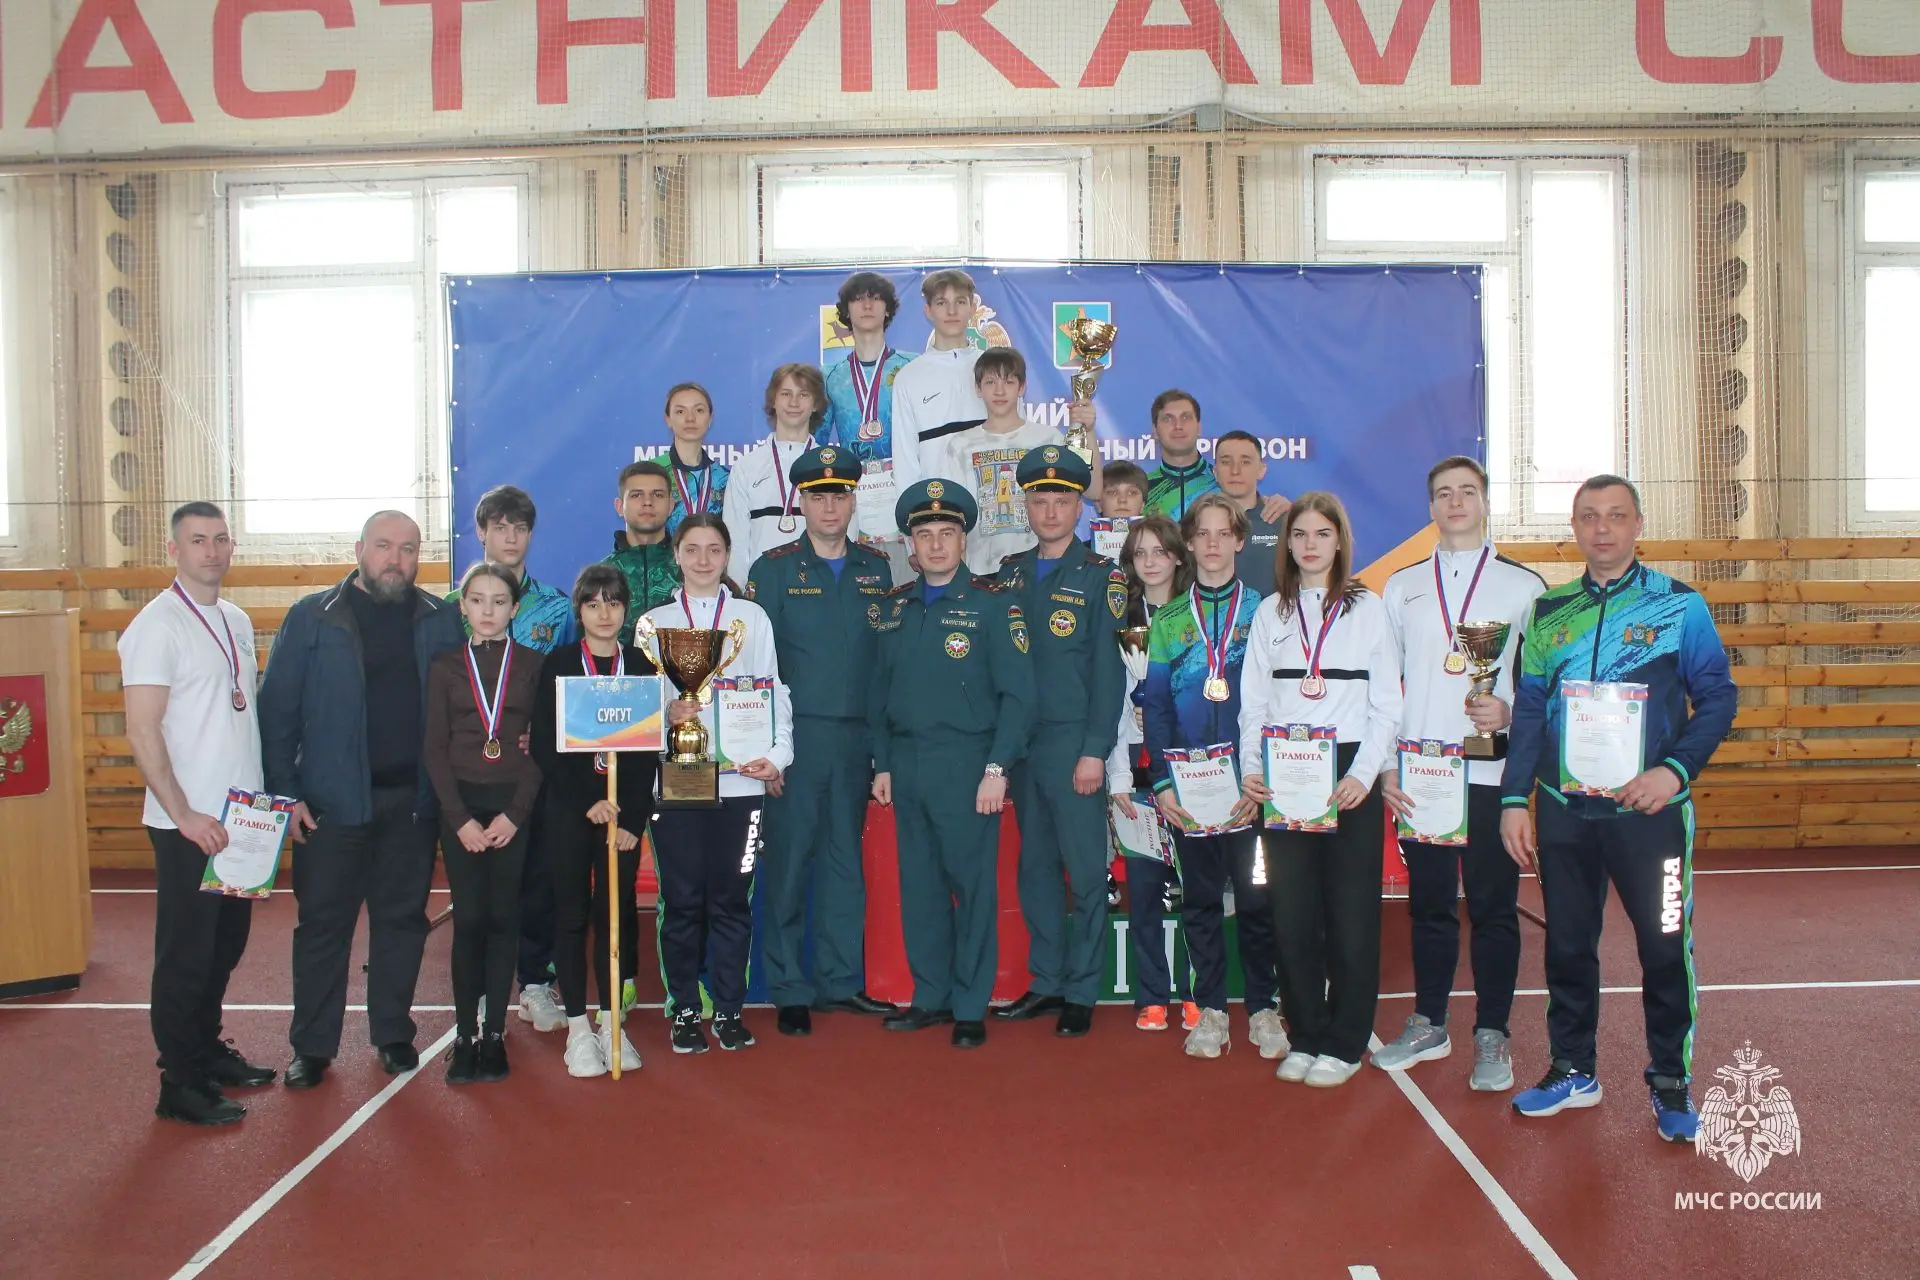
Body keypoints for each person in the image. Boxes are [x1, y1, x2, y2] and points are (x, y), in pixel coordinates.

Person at [1502, 475, 1736, 1141]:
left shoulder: (1679, 606)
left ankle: (1671, 1083)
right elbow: (1528, 710)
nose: (1601, 528)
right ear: (1574, 527)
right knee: (1568, 946)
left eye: (1615, 515)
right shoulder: (1549, 611)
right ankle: (1573, 1069)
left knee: (1663, 948)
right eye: (1588, 516)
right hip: (1565, 811)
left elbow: (1718, 697)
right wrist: (1515, 798)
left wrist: (1674, 770)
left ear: (1638, 525)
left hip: (1649, 816)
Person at [258, 510, 465, 1089]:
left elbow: (462, 710)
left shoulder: (440, 620)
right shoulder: (311, 617)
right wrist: (286, 794)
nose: (395, 558)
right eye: (383, 546)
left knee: (401, 923)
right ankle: (312, 1047)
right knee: (322, 927)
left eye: (407, 548)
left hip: (411, 805)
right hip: (330, 808)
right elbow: (277, 713)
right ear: (359, 550)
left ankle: (393, 1033)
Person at [1375, 456, 1545, 1091]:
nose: (1455, 502)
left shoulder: (1525, 587)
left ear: (1484, 501)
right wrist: (1387, 765)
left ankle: (1492, 1032)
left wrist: (1510, 711)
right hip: (1424, 773)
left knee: (1494, 908)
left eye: (1466, 491)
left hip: (1490, 772)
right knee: (1430, 906)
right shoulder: (1402, 587)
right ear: (1430, 507)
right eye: (1443, 493)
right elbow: (1384, 688)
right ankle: (1429, 1021)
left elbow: (1542, 685)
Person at [119, 501, 277, 1125]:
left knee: (225, 946)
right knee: (185, 955)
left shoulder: (235, 618)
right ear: (173, 550)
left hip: (241, 821)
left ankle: (206, 1049)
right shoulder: (156, 626)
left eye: (219, 539)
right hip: (189, 825)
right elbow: (142, 729)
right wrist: (183, 813)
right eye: (197, 540)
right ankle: (179, 1081)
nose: (211, 551)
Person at [1238, 492, 1402, 1089]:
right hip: (1286, 772)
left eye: (1322, 534)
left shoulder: (1368, 609)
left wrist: (1363, 774)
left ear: (1340, 542)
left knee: (1351, 912)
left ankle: (1345, 1041)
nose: (1309, 545)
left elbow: (1387, 704)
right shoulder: (1270, 612)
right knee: (1292, 910)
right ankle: (1306, 1032)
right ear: (1287, 545)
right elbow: (1254, 702)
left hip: (1348, 773)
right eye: (1300, 534)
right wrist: (1251, 765)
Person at [869, 478, 1034, 1049]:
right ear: (909, 544)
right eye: (925, 534)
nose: (936, 544)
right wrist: (882, 763)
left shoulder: (993, 604)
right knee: (920, 887)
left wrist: (997, 768)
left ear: (965, 540)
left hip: (967, 765)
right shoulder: (893, 608)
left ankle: (969, 1004)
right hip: (907, 763)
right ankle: (931, 996)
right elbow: (878, 694)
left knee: (972, 889)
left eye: (947, 532)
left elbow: (1019, 696)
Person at [748, 447, 898, 1038]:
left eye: (839, 495)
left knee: (843, 863)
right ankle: (789, 987)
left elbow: (885, 667)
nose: (830, 506)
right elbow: (756, 670)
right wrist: (770, 751)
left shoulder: (877, 568)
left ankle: (839, 981)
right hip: (797, 740)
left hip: (856, 739)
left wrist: (882, 753)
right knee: (788, 864)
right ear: (801, 503)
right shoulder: (773, 569)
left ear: (854, 500)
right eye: (818, 496)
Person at [1140, 493, 1285, 1061]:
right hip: (1191, 788)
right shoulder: (1170, 621)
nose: (1213, 543)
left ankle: (1264, 1006)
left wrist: (1263, 775)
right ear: (1189, 543)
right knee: (1200, 901)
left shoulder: (1266, 613)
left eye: (1224, 533)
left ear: (1240, 540)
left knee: (1257, 900)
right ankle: (1213, 1010)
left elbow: (1280, 699)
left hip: (1251, 789)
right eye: (1202, 533)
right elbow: (1156, 706)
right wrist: (1163, 783)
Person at [642, 515, 794, 1054]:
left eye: (713, 549)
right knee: (682, 899)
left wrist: (777, 756)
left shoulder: (751, 618)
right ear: (676, 556)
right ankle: (684, 1008)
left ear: (728, 555)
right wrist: (667, 714)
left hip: (741, 782)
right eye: (692, 549)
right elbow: (642, 702)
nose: (703, 560)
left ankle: (729, 1008)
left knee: (731, 898)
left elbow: (774, 690)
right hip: (681, 774)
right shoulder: (654, 622)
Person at [990, 447, 1125, 1037]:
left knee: (1086, 873)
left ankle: (1081, 990)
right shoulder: (1008, 573)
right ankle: (1046, 981)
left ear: (1078, 508)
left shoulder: (1101, 576)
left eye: (1062, 501)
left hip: (1073, 746)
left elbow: (1108, 674)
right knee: (1036, 868)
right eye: (1040, 500)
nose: (1050, 511)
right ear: (1026, 506)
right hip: (1021, 747)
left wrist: (1094, 749)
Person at [445, 484, 573, 1040]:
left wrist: (547, 737)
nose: (511, 537)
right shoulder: (451, 608)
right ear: (481, 532)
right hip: (474, 774)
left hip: (536, 770)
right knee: (479, 893)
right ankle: (478, 991)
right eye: (500, 527)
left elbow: (570, 679)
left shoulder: (558, 607)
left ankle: (535, 982)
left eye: (520, 528)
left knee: (538, 879)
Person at [531, 565, 660, 1078]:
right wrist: (588, 800)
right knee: (570, 914)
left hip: (621, 819)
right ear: (579, 611)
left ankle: (611, 1023)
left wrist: (632, 817)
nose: (604, 613)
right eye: (593, 604)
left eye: (613, 602)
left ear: (626, 609)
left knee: (614, 913)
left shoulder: (642, 668)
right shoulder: (560, 664)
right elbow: (546, 745)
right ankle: (578, 1029)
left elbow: (648, 751)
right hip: (571, 810)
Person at [424, 562, 544, 1084]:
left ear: (515, 608)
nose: (488, 610)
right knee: (470, 920)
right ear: (463, 606)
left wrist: (516, 814)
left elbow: (543, 747)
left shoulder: (535, 665)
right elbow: (434, 748)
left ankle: (495, 1033)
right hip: (461, 812)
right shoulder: (445, 667)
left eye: (499, 601)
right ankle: (465, 1035)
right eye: (477, 600)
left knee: (503, 919)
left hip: (513, 810)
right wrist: (458, 820)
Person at [1106, 515, 1196, 1033]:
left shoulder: (1196, 615)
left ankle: (1196, 993)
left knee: (1195, 891)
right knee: (1144, 890)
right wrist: (1119, 776)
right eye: (1140, 553)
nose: (1150, 561)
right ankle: (1153, 995)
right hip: (1138, 775)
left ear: (1178, 556)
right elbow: (1117, 703)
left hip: (1192, 773)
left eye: (1159, 551)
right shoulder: (1125, 620)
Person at [936, 348, 1102, 576]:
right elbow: (952, 519)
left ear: (1022, 387)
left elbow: (1093, 490)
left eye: (1009, 381)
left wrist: (1088, 431)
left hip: (1040, 569)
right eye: (990, 382)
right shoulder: (960, 446)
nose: (999, 390)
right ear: (978, 388)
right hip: (981, 571)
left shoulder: (1048, 439)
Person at [821, 272, 920, 581]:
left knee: (907, 584)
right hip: (853, 497)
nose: (867, 305)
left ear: (887, 309)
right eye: (858, 299)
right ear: (845, 311)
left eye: (875, 298)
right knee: (859, 586)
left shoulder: (912, 367)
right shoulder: (830, 375)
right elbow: (818, 443)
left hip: (903, 489)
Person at [722, 363, 827, 583]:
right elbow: (736, 543)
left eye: (803, 395)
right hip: (762, 590)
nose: (794, 402)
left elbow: (845, 538)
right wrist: (739, 595)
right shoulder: (746, 467)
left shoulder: (830, 467)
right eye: (786, 394)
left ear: (816, 404)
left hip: (819, 588)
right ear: (773, 401)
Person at [891, 269, 988, 480]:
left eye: (960, 302)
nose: (951, 311)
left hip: (992, 496)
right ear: (928, 310)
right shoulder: (908, 377)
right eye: (942, 303)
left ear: (972, 308)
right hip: (936, 498)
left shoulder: (995, 368)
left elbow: (1015, 439)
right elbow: (905, 460)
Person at [607, 460, 682, 641]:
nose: (647, 502)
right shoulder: (601, 575)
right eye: (636, 495)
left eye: (657, 495)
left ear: (671, 506)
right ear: (619, 507)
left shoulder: (691, 569)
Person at [1215, 430, 1289, 593]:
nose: (1235, 471)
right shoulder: (1197, 522)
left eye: (1245, 462)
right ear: (1215, 472)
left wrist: (1296, 514)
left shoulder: (1282, 519)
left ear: (1261, 470)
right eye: (1226, 462)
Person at [660, 382, 731, 534]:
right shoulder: (652, 473)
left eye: (699, 410)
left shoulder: (726, 479)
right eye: (680, 411)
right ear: (668, 419)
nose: (690, 418)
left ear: (710, 418)